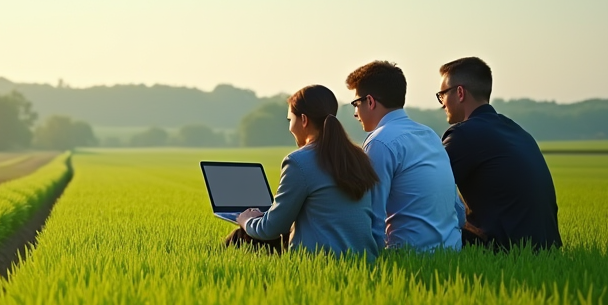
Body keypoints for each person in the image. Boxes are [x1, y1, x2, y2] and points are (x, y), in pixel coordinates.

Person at [225, 84, 381, 258]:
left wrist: (246, 220)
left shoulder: (298, 161)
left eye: (290, 120)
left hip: (320, 264)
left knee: (242, 236)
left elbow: (270, 229)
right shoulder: (359, 158)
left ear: (304, 120)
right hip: (365, 261)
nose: (290, 127)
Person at [437, 56, 562, 250]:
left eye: (442, 94)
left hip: (504, 249)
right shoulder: (519, 132)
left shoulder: (463, 134)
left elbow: (426, 188)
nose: (442, 103)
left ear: (460, 92)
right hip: (548, 248)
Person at [346, 61, 463, 251]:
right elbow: (458, 210)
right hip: (452, 252)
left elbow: (372, 215)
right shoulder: (429, 135)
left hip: (410, 256)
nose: (355, 113)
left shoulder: (380, 142)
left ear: (370, 101)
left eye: (355, 103)